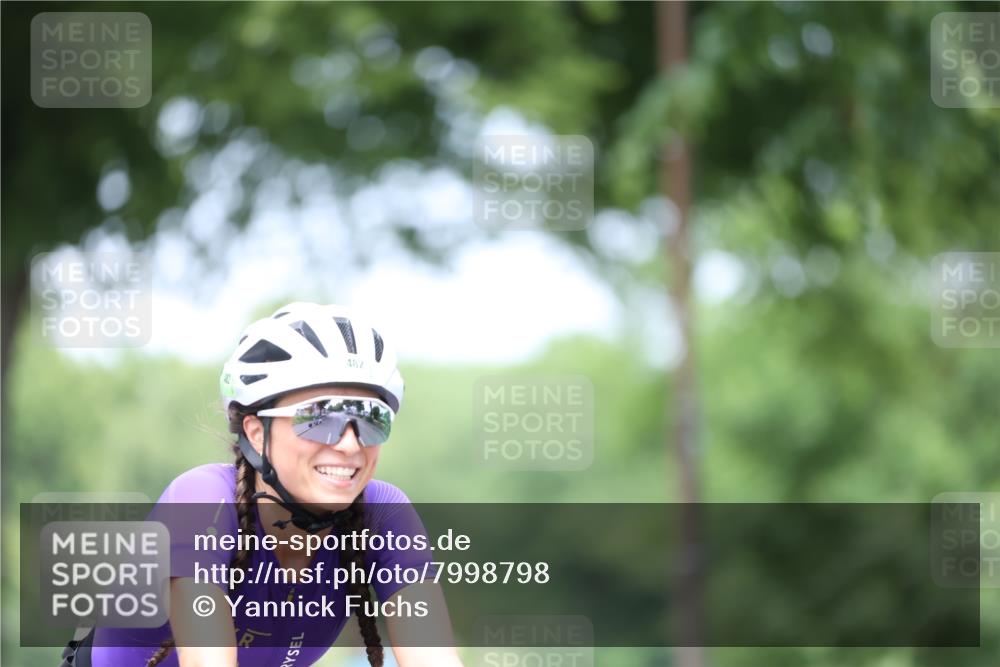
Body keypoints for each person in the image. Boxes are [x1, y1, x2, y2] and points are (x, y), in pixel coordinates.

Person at [75, 302, 464, 667]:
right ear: (257, 432)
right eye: (319, 417)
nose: (350, 444)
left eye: (370, 418)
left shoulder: (383, 514)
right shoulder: (201, 501)